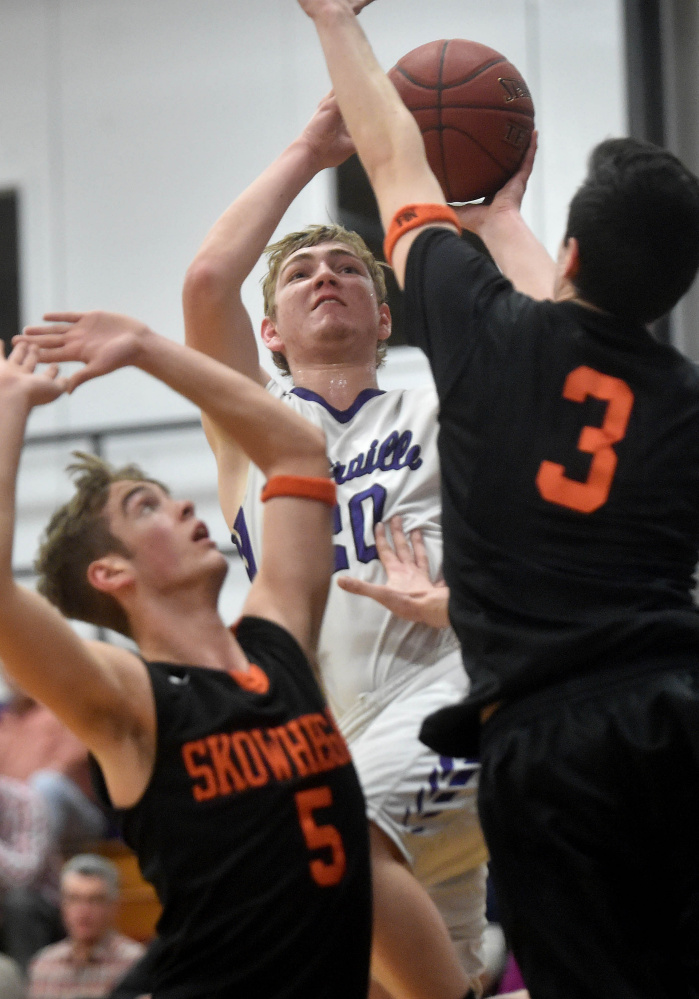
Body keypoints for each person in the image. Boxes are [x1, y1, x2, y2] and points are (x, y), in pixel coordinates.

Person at [292, 3, 699, 998]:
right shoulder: (684, 403)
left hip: (548, 734)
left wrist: (335, 21)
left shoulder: (489, 338)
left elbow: (393, 160)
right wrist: (506, 225)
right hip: (675, 708)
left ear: (570, 255)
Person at [182, 93, 487, 999]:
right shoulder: (254, 428)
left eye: (348, 269)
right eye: (301, 273)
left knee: (342, 847)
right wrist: (308, 152)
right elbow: (207, 284)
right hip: (324, 733)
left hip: (447, 695)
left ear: (384, 317)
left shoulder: (443, 406)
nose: (325, 276)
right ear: (269, 334)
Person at [1, 318, 371, 999]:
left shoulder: (277, 638)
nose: (181, 506)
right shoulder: (130, 698)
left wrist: (144, 347)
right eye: (146, 506)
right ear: (110, 573)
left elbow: (298, 451)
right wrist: (10, 407)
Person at [0, 685, 108, 852]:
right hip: (20, 817)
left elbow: (68, 767)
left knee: (46, 784)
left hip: (79, 814)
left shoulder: (67, 707)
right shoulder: (7, 722)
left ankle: (32, 864)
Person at [27, 854, 144, 999]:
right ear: (62, 904)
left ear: (113, 905)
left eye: (95, 900)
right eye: (74, 899)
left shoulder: (135, 964)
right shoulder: (44, 965)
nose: (84, 910)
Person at [0, 775, 62, 970]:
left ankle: (26, 982)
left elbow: (25, 874)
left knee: (19, 902)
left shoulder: (24, 801)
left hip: (41, 907)